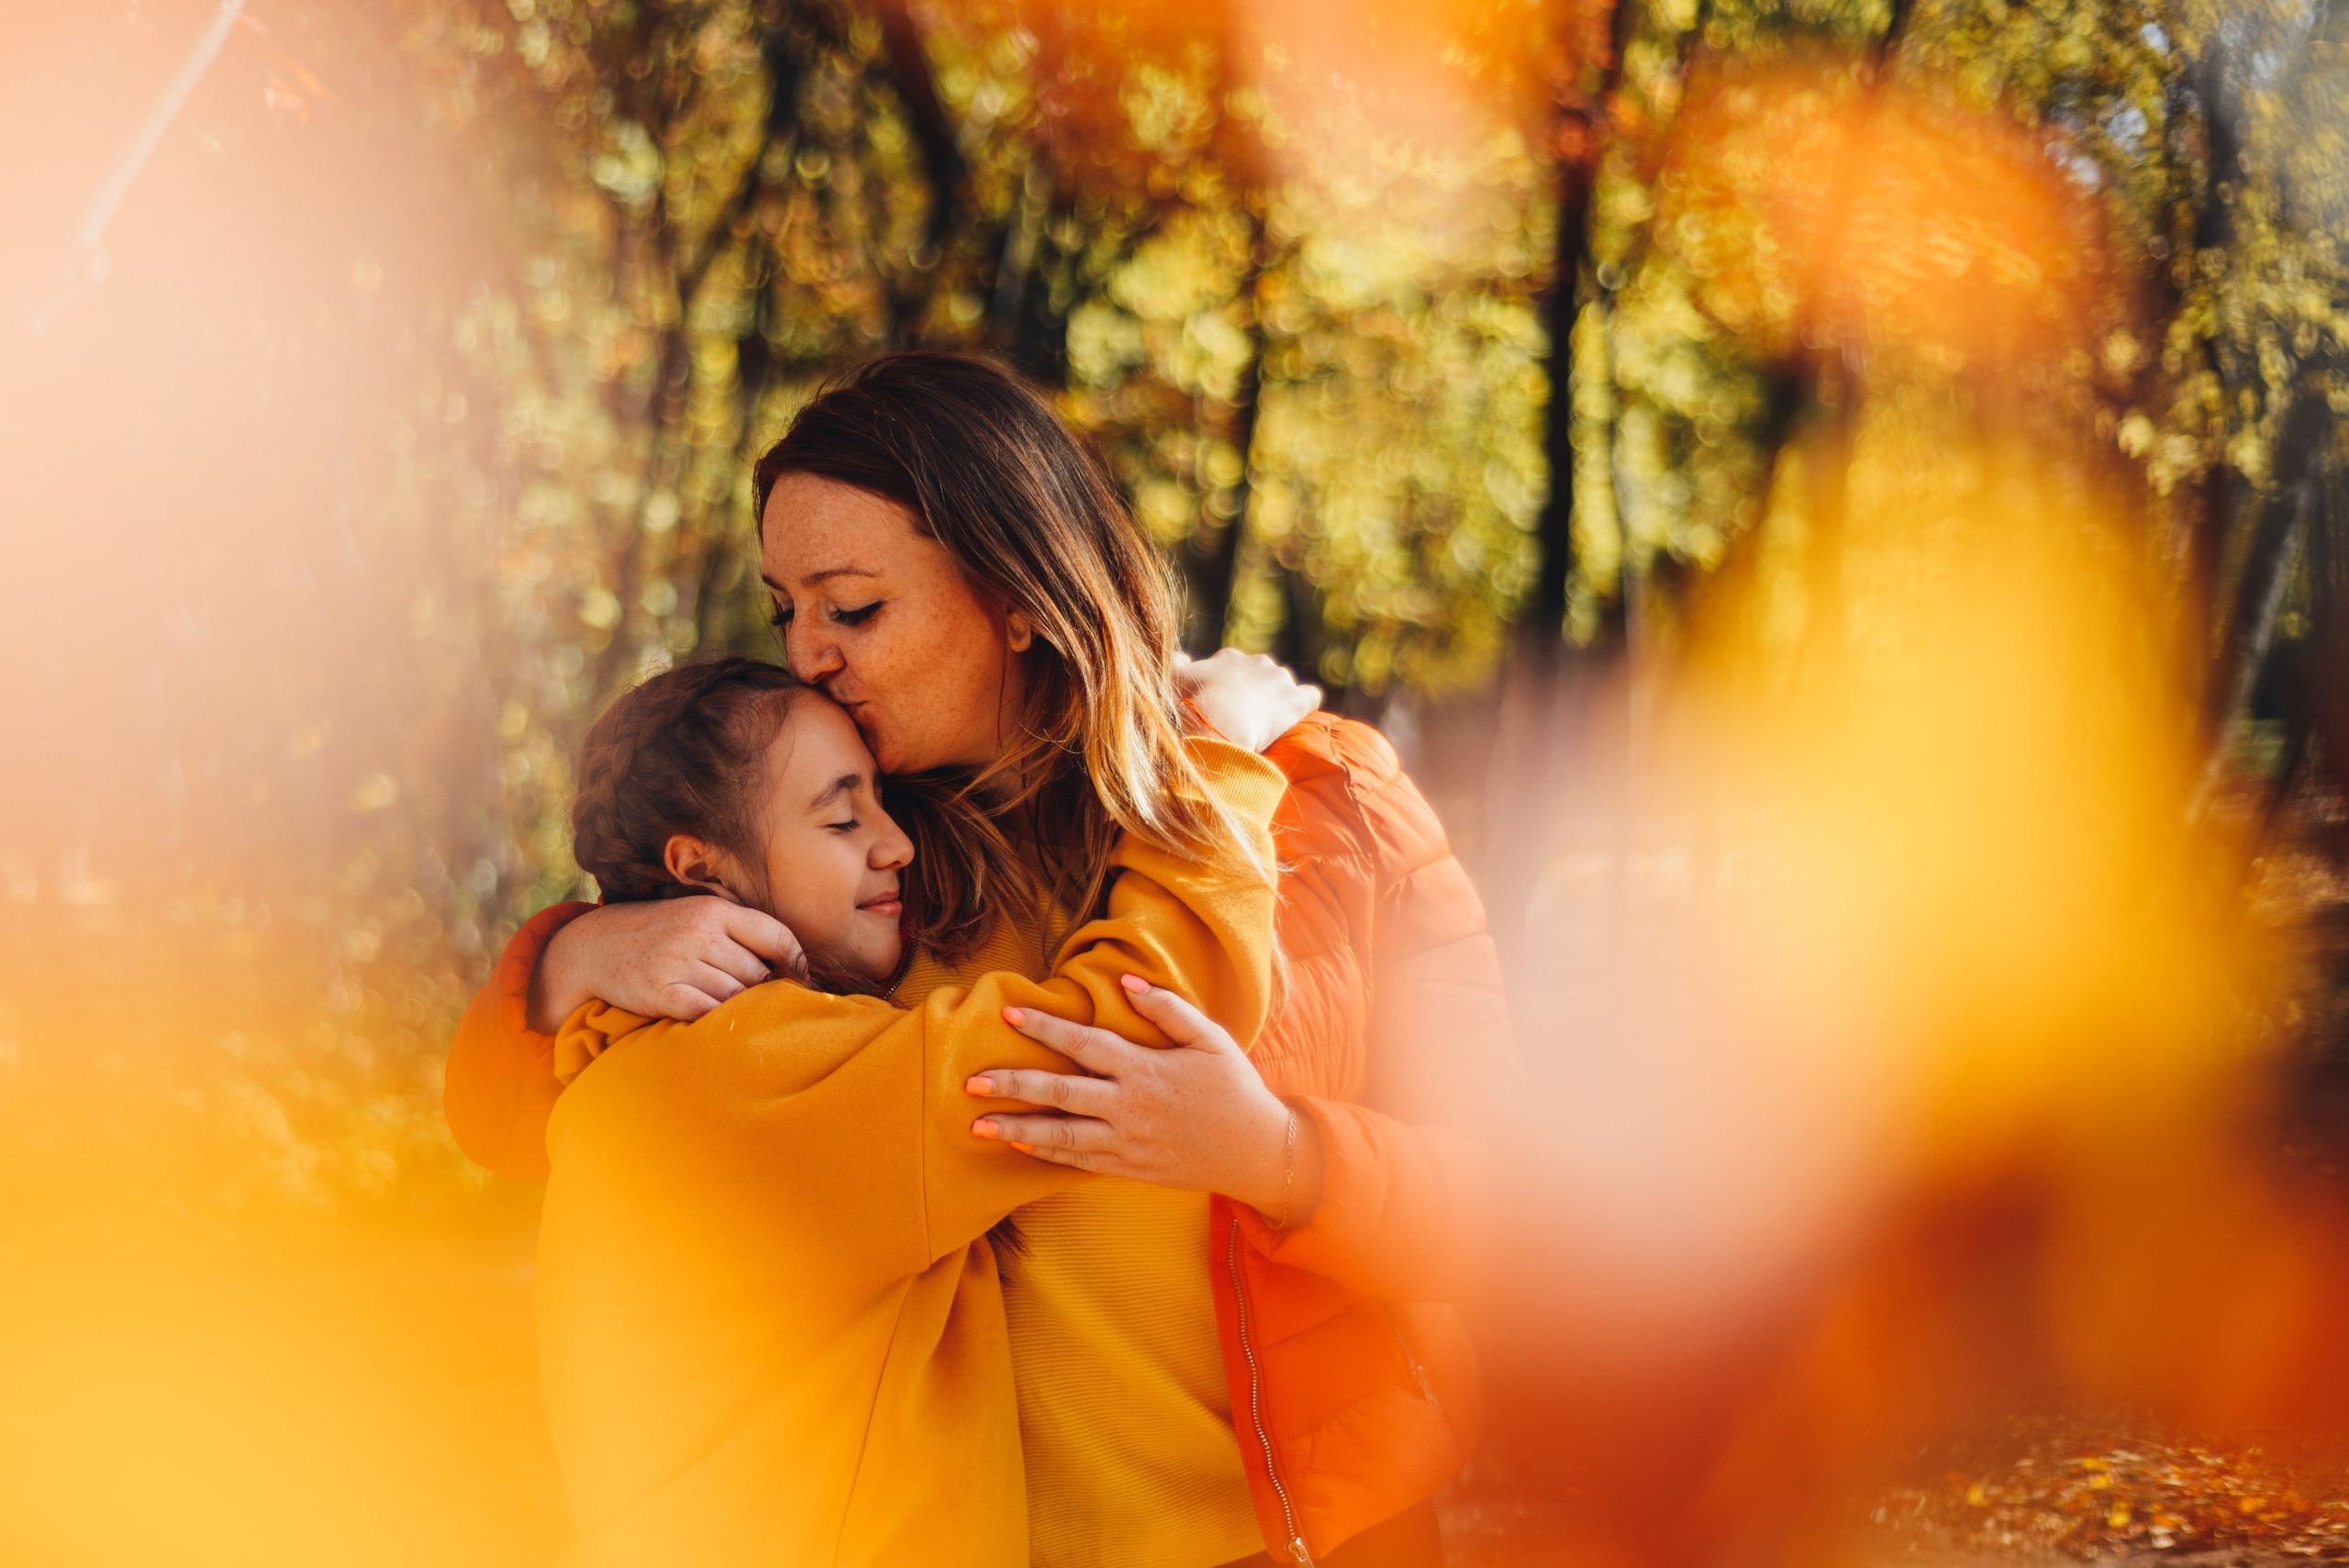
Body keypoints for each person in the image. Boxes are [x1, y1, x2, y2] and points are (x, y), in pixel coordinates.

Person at [446, 350, 1516, 1566]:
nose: (810, 657)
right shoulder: (844, 861)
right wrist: (574, 952)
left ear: (1015, 592)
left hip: (1314, 1541)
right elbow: (516, 1117)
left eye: (853, 608)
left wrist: (1283, 1158)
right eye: (785, 610)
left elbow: (1509, 1217)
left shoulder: (1326, 799)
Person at [532, 651, 1290, 1564]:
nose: (895, 844)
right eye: (842, 816)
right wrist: (1212, 764)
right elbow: (1113, 1043)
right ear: (704, 870)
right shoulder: (740, 1079)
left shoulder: (632, 1064)